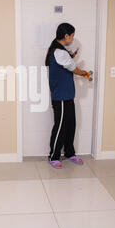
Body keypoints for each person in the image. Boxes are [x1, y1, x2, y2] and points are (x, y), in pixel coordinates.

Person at [45, 23, 90, 169]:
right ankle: (54, 156)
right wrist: (85, 73)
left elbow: (65, 62)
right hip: (61, 96)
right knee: (60, 127)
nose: (72, 38)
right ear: (66, 36)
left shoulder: (60, 51)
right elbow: (73, 69)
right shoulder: (59, 52)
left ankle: (70, 153)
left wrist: (71, 56)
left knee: (71, 125)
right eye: (72, 35)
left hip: (67, 95)